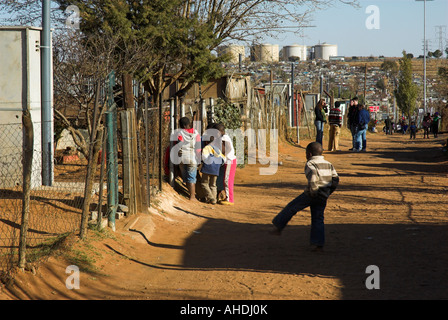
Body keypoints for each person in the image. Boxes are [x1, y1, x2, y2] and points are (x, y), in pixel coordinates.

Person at [270, 142, 339, 252]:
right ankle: (318, 244)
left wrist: (313, 191)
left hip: (312, 194)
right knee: (318, 218)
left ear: (309, 154)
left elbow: (313, 177)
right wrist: (328, 192)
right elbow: (335, 179)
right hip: (323, 196)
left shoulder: (310, 164)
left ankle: (278, 226)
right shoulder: (328, 164)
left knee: (292, 207)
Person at [175, 117, 201, 201]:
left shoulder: (179, 133)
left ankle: (189, 193)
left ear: (180, 125)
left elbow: (178, 145)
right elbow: (198, 147)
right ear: (189, 123)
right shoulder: (196, 133)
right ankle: (192, 196)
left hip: (182, 158)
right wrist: (199, 158)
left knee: (185, 177)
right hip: (192, 157)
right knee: (192, 178)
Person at [200, 126, 226, 205]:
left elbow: (204, 157)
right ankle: (214, 199)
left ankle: (210, 197)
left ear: (206, 142)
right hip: (215, 170)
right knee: (213, 185)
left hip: (207, 169)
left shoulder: (206, 148)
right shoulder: (217, 149)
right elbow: (223, 159)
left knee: (204, 183)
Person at [216, 123, 237, 205]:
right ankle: (228, 197)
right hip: (229, 161)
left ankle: (229, 199)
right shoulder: (225, 137)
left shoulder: (224, 138)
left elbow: (224, 149)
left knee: (227, 181)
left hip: (229, 161)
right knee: (226, 180)